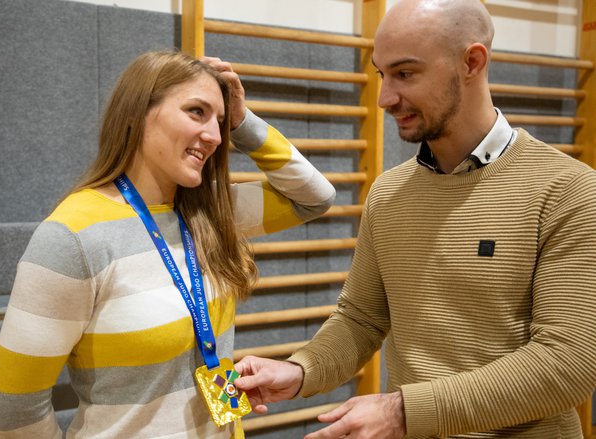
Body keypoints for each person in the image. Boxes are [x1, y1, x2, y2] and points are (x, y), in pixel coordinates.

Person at [233, 0, 596, 438]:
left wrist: (403, 411)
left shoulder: (569, 190)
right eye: (381, 74)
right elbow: (361, 318)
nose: (386, 97)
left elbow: (568, 361)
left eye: (405, 73)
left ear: (472, 62)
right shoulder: (388, 193)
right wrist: (301, 370)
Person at [0, 50, 335, 438]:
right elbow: (12, 411)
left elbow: (315, 196)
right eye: (196, 112)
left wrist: (243, 121)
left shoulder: (210, 212)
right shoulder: (72, 236)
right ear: (136, 113)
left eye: (220, 122)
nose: (216, 137)